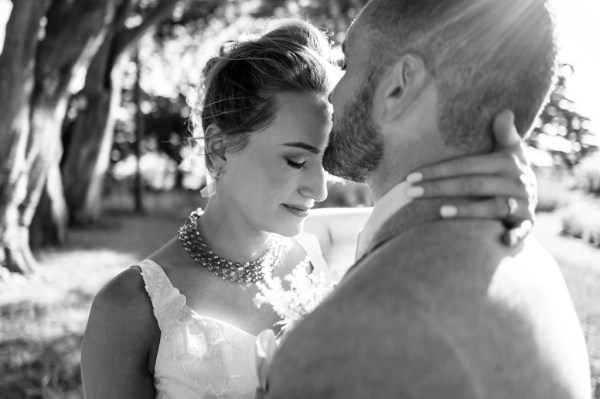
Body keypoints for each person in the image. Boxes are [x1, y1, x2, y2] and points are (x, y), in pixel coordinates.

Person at [81, 19, 538, 399]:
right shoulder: (129, 309)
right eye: (296, 160)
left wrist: (503, 191)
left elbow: (425, 211)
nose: (319, 190)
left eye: (324, 163)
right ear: (219, 149)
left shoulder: (320, 245)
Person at [261, 1, 592, 398]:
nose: (331, 94)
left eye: (347, 64)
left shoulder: (350, 337)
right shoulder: (536, 264)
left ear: (398, 88)